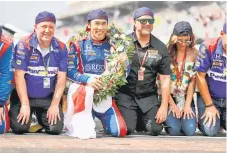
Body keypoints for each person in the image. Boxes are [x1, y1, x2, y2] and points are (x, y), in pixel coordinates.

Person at [65, 9, 127, 138]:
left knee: (120, 131)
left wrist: (124, 63)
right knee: (84, 132)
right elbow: (70, 71)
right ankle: (87, 116)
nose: (100, 27)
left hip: (105, 96)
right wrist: (88, 80)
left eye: (103, 23)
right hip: (84, 94)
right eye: (96, 23)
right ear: (89, 25)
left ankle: (105, 121)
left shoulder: (115, 45)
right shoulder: (77, 44)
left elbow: (125, 74)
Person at [115, 7, 171, 136]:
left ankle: (139, 118)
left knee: (156, 130)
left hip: (148, 97)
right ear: (135, 23)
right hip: (126, 96)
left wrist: (164, 106)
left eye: (150, 20)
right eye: (143, 20)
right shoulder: (122, 43)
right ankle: (133, 117)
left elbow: (165, 79)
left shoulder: (160, 47)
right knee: (127, 129)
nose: (147, 23)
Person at [9, 11, 68, 135]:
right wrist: (24, 104)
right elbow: (19, 77)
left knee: (55, 129)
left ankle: (38, 119)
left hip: (47, 98)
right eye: (44, 26)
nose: (47, 30)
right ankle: (31, 115)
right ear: (35, 27)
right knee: (19, 128)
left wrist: (55, 104)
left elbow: (62, 78)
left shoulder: (61, 47)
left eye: (51, 27)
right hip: (25, 98)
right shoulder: (24, 45)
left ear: (55, 28)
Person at [163, 21, 198, 136]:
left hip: (186, 98)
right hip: (170, 98)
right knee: (174, 131)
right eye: (180, 40)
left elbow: (193, 81)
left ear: (191, 38)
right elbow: (162, 82)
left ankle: (184, 121)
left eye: (187, 40)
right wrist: (172, 105)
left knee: (190, 131)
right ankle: (174, 122)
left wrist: (187, 105)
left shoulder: (194, 54)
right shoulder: (166, 53)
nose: (183, 44)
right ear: (174, 38)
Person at [194, 23, 226, 136]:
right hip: (210, 98)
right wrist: (209, 105)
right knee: (210, 131)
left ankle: (222, 120)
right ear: (222, 34)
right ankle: (208, 121)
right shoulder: (208, 46)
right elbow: (200, 76)